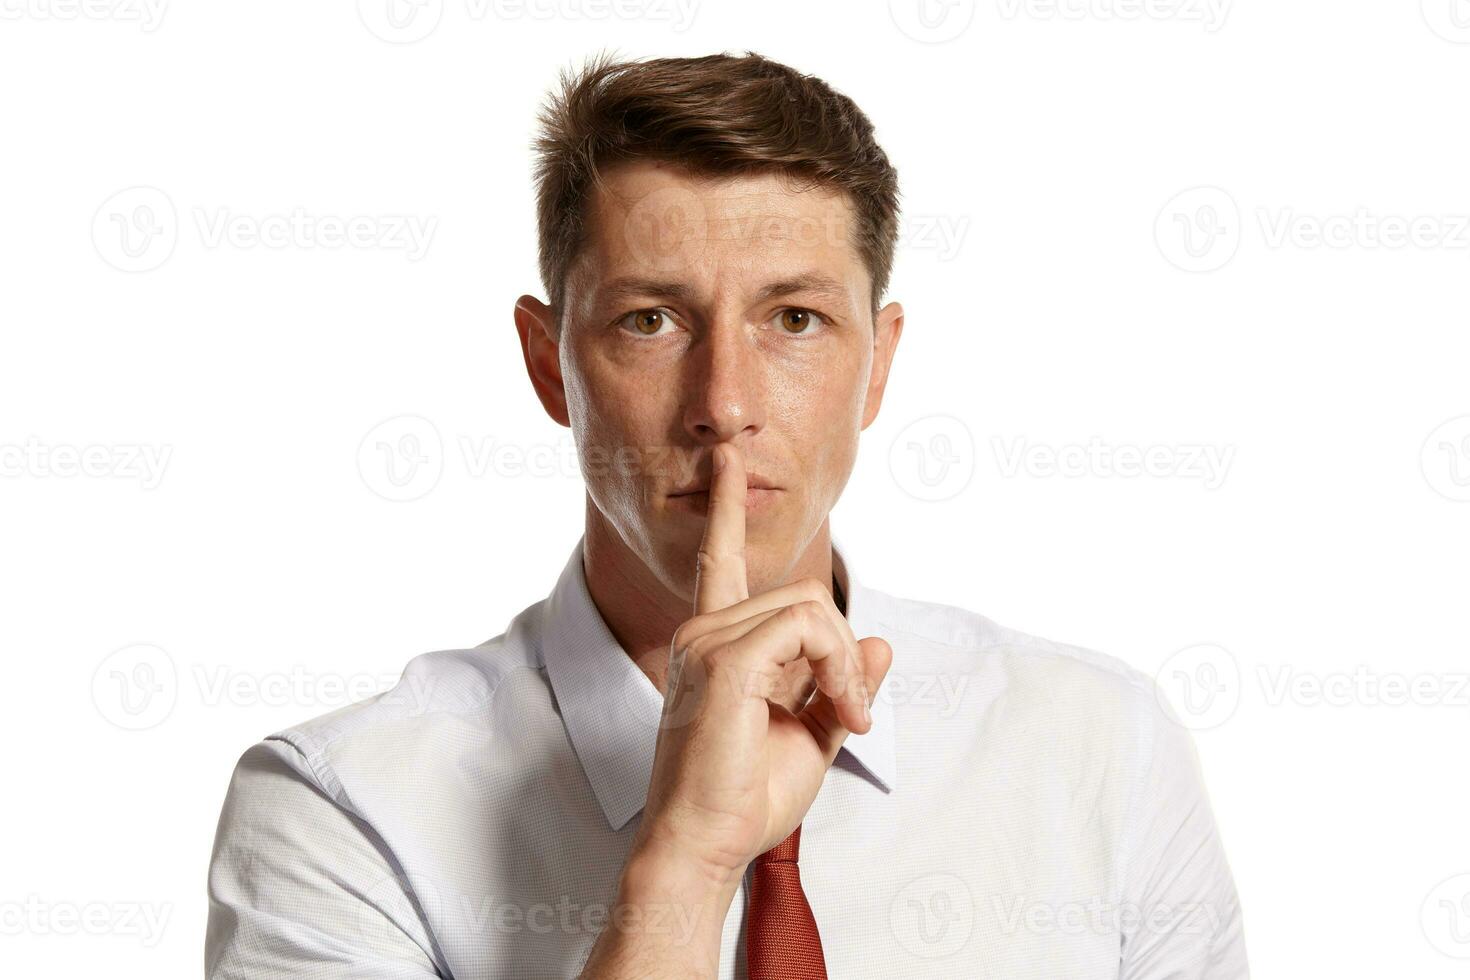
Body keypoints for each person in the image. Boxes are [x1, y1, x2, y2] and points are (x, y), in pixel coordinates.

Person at [206, 50, 1248, 979]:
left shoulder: (1100, 748)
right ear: (548, 364)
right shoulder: (343, 813)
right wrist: (688, 858)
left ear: (877, 365)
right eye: (649, 320)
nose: (726, 404)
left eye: (794, 318)